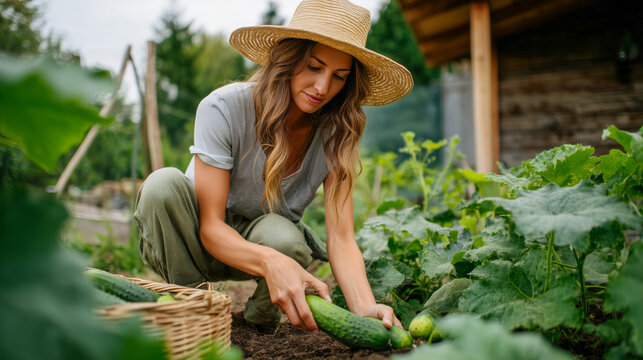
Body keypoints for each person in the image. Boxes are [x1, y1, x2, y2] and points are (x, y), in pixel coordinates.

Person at [134, 0, 413, 334]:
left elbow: (341, 236)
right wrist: (272, 262)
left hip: (264, 243)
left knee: (286, 239)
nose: (323, 88)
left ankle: (259, 323)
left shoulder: (336, 132)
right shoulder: (223, 107)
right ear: (289, 59)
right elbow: (210, 227)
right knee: (161, 185)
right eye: (314, 66)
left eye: (338, 77)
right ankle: (196, 308)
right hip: (191, 240)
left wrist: (365, 307)